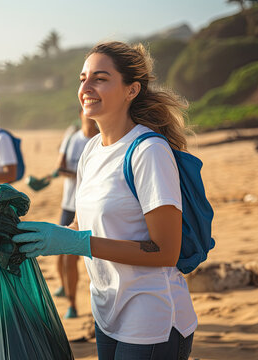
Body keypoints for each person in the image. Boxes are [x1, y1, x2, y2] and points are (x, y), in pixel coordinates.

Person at [13, 41, 195, 360]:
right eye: (82, 78)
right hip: (106, 313)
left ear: (131, 90)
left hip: (151, 315)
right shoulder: (92, 150)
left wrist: (78, 243)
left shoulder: (148, 151)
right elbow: (82, 226)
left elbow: (166, 251)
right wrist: (33, 236)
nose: (86, 87)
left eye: (100, 78)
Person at [51, 108, 99, 319]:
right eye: (87, 114)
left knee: (77, 256)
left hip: (91, 206)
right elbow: (60, 168)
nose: (90, 118)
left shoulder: (101, 139)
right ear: (81, 115)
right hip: (69, 204)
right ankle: (70, 299)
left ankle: (74, 301)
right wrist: (80, 173)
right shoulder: (72, 138)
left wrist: (80, 174)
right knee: (64, 255)